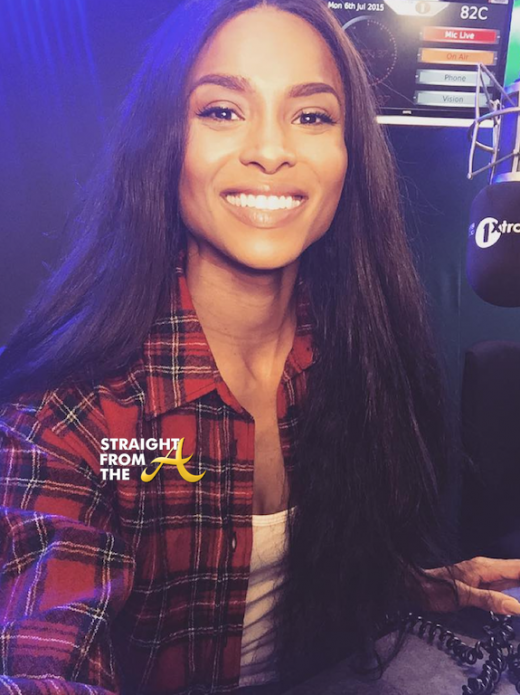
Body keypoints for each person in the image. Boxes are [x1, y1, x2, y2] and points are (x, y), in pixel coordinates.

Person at [1, 1, 520, 694]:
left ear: (349, 155)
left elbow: (289, 574)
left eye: (312, 116)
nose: (271, 150)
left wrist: (400, 586)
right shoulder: (66, 416)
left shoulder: (356, 351)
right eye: (222, 111)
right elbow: (44, 658)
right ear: (164, 141)